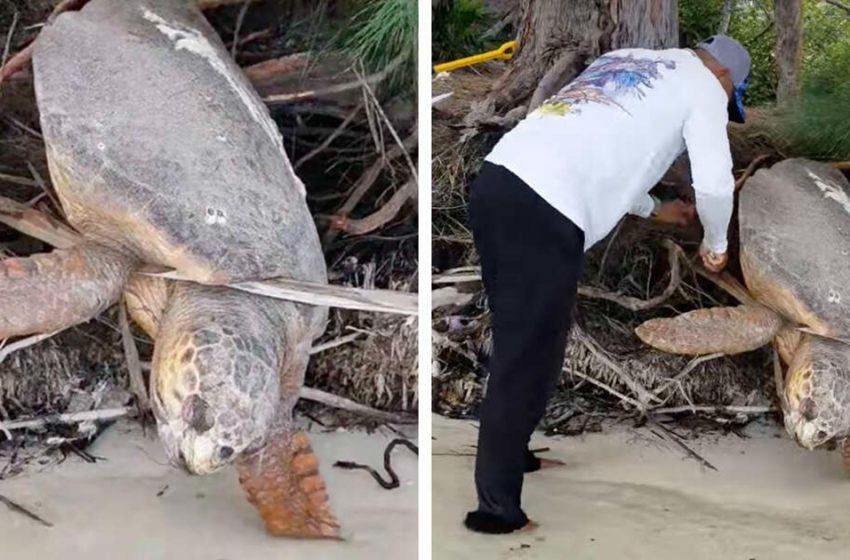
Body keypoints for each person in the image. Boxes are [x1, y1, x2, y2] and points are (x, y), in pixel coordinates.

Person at [464, 35, 751, 534]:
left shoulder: (627, 59)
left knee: (528, 341)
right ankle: (495, 511)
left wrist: (654, 209)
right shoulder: (704, 88)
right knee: (527, 354)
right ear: (725, 78)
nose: (723, 105)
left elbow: (602, 151)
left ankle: (515, 456)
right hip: (545, 209)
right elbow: (714, 184)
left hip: (499, 181)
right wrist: (716, 242)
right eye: (730, 101)